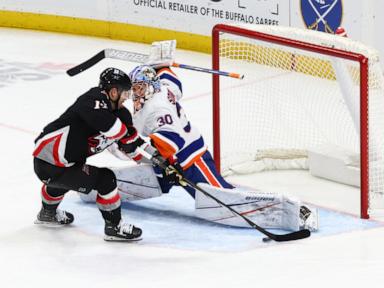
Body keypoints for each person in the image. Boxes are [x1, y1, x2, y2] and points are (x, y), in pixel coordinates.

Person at [81, 41, 318, 232]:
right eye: (134, 89)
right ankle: (96, 186)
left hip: (190, 159)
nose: (136, 94)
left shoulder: (156, 109)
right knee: (152, 174)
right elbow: (170, 77)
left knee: (222, 198)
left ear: (150, 87)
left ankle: (296, 212)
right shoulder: (163, 88)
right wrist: (162, 61)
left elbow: (167, 142)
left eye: (141, 88)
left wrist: (119, 143)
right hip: (168, 162)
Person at [33, 67, 149, 241]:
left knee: (63, 181)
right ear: (114, 91)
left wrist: (152, 158)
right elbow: (113, 129)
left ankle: (47, 213)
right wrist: (127, 136)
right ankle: (114, 227)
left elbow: (126, 145)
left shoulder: (119, 112)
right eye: (125, 93)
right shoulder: (92, 100)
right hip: (50, 162)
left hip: (62, 163)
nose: (127, 97)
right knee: (106, 179)